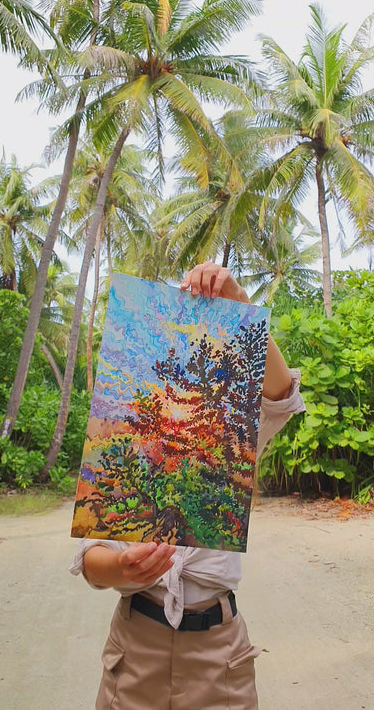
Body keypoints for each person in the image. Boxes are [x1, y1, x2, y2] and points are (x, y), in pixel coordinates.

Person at [70, 262, 305, 710]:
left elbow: (280, 393)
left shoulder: (235, 431)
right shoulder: (122, 439)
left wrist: (240, 304)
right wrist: (122, 570)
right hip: (135, 645)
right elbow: (90, 558)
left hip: (219, 653)